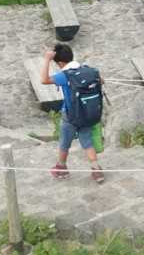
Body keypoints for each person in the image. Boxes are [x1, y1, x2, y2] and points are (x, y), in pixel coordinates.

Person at [41, 42, 104, 182]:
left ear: (60, 63)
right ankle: (96, 170)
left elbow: (44, 80)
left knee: (64, 142)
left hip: (70, 115)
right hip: (86, 112)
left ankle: (61, 167)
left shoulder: (65, 76)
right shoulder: (88, 70)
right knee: (87, 141)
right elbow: (101, 81)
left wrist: (46, 59)